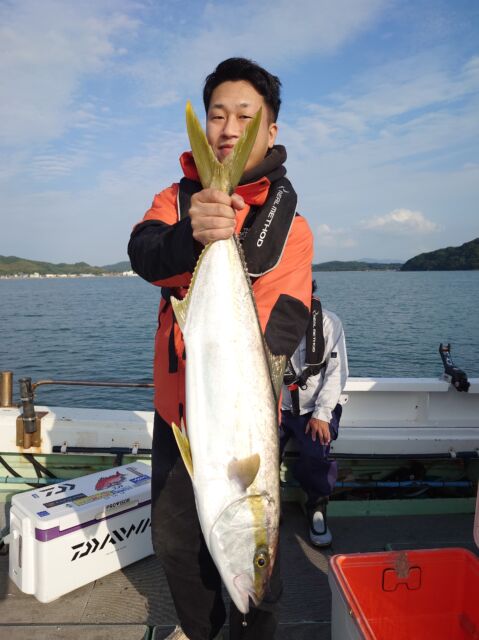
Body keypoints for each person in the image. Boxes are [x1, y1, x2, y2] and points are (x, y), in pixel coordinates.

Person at [128, 58, 313, 640]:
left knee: (264, 574)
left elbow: (287, 321)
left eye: (245, 117)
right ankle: (200, 631)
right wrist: (193, 234)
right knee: (176, 545)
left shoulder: (293, 228)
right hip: (178, 414)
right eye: (216, 115)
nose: (229, 129)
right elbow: (144, 256)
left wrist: (224, 251)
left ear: (271, 130)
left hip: (241, 424)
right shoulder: (174, 198)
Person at [280, 283, 348, 547]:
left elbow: (337, 372)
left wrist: (322, 414)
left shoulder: (330, 323)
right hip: (277, 407)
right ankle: (267, 505)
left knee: (317, 451)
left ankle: (317, 505)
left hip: (315, 408)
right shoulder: (268, 323)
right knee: (259, 452)